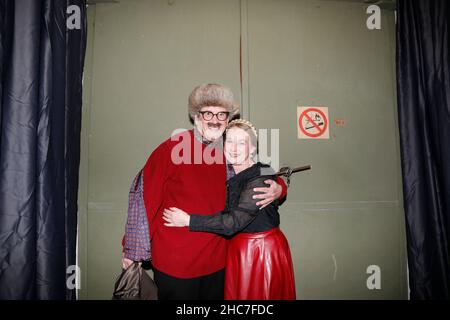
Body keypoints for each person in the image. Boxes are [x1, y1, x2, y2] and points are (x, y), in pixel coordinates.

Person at [121, 84, 288, 300]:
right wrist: (132, 250)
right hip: (177, 263)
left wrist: (279, 189)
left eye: (221, 114)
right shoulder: (172, 149)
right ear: (196, 117)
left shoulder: (228, 151)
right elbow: (142, 195)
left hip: (219, 262)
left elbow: (258, 171)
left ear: (228, 119)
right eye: (208, 112)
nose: (215, 119)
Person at [163, 119, 296, 300]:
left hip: (260, 251)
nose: (234, 147)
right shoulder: (221, 168)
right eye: (230, 141)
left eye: (241, 142)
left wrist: (188, 220)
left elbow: (233, 221)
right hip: (237, 250)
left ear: (252, 149)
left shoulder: (261, 172)